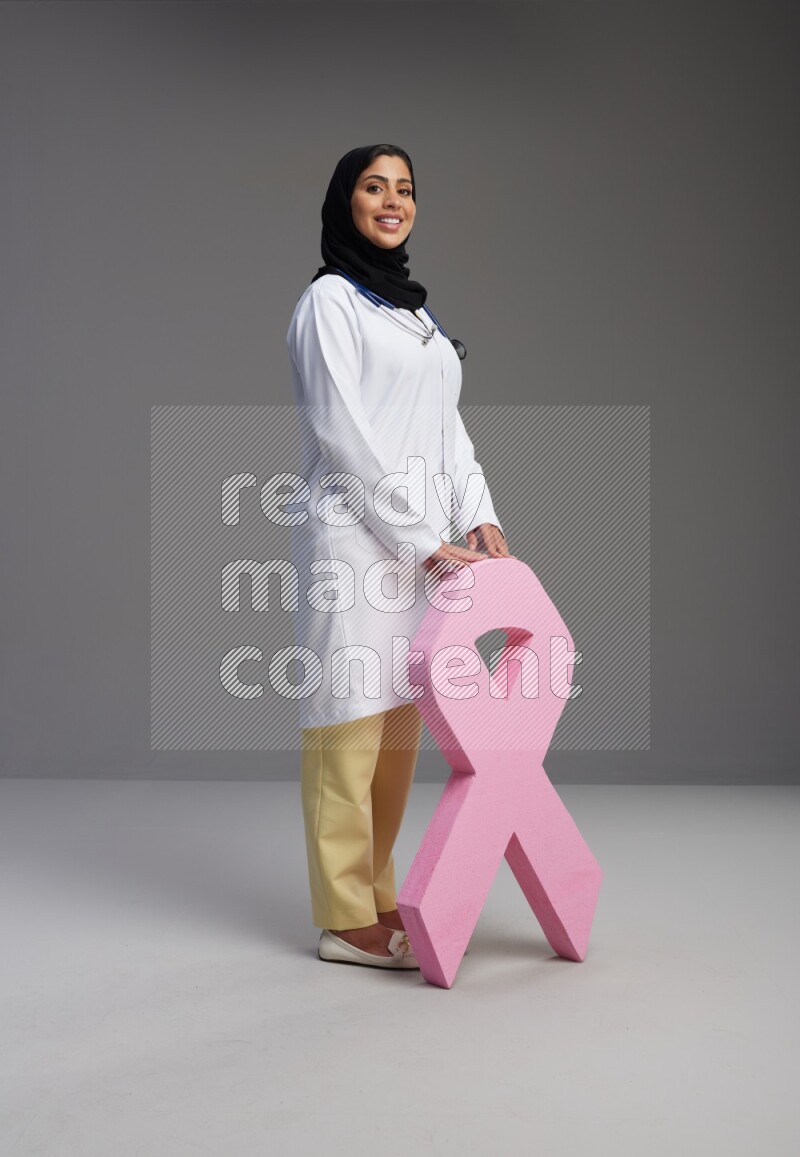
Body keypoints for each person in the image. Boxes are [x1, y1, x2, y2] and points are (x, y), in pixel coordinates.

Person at [285, 143, 512, 969]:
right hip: (354, 540)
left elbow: (449, 430)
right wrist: (425, 539)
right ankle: (344, 916)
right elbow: (343, 434)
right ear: (345, 201)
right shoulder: (330, 304)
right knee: (344, 722)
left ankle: (378, 892)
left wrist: (479, 517)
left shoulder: (416, 316)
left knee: (394, 728)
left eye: (405, 189)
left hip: (425, 548)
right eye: (374, 187)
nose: (392, 200)